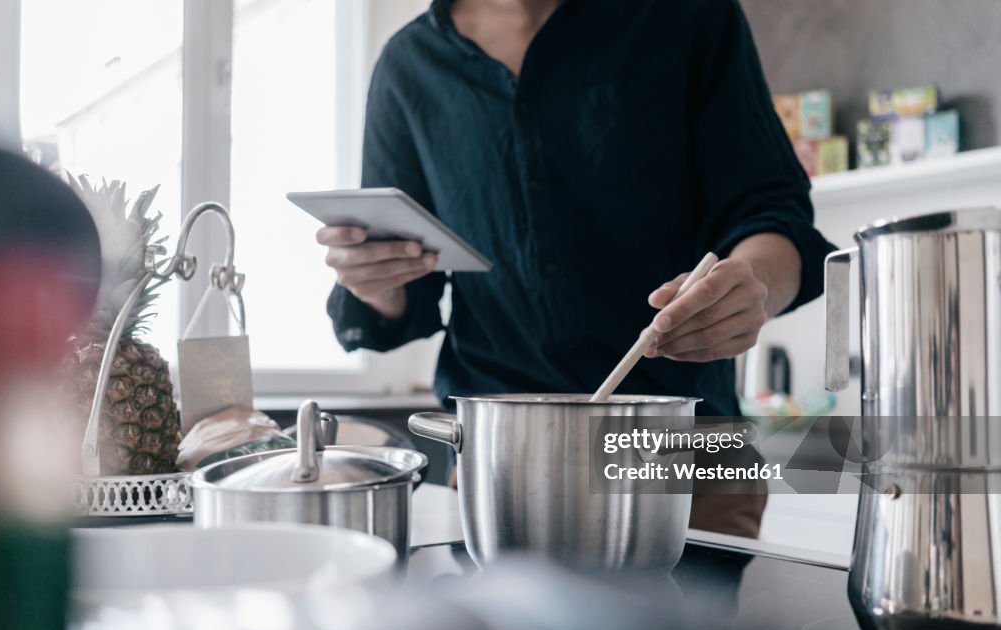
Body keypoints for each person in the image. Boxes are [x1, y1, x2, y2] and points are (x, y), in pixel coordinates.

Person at [318, 0, 836, 419]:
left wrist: (753, 290)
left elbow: (774, 211)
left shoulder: (692, 16)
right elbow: (408, 295)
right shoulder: (408, 67)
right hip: (494, 457)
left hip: (685, 452)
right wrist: (377, 280)